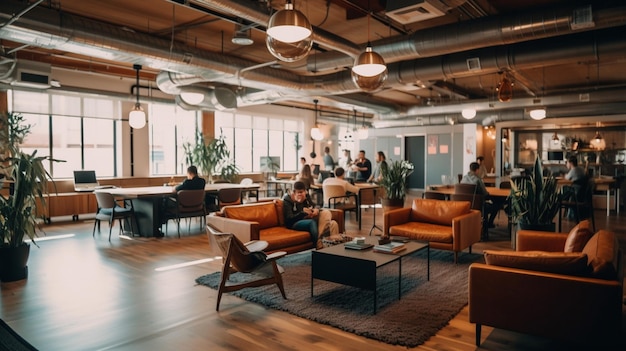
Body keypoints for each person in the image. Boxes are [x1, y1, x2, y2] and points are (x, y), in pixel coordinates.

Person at [282, 181, 339, 249]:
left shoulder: (306, 196)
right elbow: (289, 219)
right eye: (298, 192)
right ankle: (319, 243)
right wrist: (302, 213)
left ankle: (334, 248)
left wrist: (316, 210)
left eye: (302, 192)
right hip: (295, 222)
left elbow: (314, 205)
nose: (301, 194)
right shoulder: (287, 200)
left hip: (308, 218)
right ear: (294, 193)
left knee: (331, 220)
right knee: (312, 222)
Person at [461, 162, 500, 229]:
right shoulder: (478, 180)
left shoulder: (463, 179)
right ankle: (489, 224)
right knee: (496, 206)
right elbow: (485, 194)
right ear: (477, 170)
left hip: (465, 205)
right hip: (478, 206)